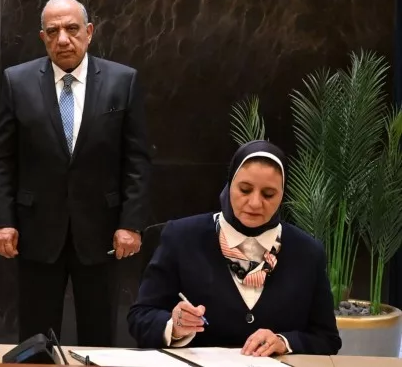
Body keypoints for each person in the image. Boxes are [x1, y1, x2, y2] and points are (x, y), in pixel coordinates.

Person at [0, 0, 153, 346]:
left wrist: (131, 223)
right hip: (36, 230)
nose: (63, 39)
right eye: (53, 31)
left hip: (102, 232)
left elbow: (136, 160)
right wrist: (2, 221)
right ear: (42, 37)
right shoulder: (17, 81)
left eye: (72, 29)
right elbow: (2, 159)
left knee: (99, 336)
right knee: (36, 338)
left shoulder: (122, 81)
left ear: (89, 32)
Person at [128, 140, 342, 357]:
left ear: (282, 194)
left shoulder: (307, 252)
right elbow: (140, 317)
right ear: (229, 185)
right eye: (245, 190)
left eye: (268, 194)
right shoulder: (181, 237)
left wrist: (284, 342)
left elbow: (327, 339)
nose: (255, 203)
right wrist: (173, 326)